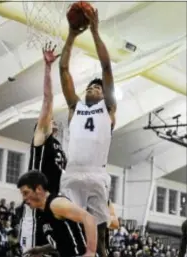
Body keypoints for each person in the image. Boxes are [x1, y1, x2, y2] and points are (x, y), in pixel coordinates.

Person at [59, 7, 117, 257]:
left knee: (100, 238)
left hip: (96, 175)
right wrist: (71, 36)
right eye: (90, 86)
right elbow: (63, 70)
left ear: (104, 95)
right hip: (72, 174)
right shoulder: (75, 106)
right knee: (67, 234)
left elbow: (106, 66)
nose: (93, 88)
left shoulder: (108, 108)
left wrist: (94, 32)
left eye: (98, 87)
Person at [18, 42, 67, 253]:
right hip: (37, 209)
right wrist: (48, 68)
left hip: (55, 207)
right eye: (48, 120)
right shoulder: (41, 139)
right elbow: (48, 100)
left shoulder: (59, 147)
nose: (52, 119)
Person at [17, 171, 97, 257]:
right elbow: (64, 241)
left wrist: (91, 252)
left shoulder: (56, 204)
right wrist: (42, 249)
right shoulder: (44, 211)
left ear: (38, 189)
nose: (24, 198)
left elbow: (89, 218)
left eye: (26, 193)